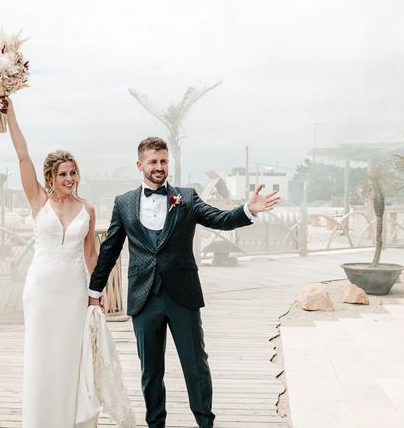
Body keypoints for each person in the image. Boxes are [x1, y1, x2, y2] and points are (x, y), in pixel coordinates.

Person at [88, 137, 279, 428]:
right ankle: (156, 424)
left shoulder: (187, 198)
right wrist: (94, 290)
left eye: (163, 161)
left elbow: (221, 219)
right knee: (150, 371)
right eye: (153, 161)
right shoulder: (123, 203)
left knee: (195, 366)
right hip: (143, 297)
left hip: (183, 295)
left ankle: (205, 423)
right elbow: (110, 249)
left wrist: (248, 210)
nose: (159, 167)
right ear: (140, 165)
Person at [4, 96, 99, 428]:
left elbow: (91, 254)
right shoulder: (37, 200)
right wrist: (11, 114)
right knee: (41, 358)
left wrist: (97, 294)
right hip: (41, 291)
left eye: (73, 173)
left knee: (67, 358)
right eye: (63, 174)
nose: (70, 178)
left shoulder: (87, 209)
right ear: (51, 177)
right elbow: (22, 155)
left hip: (73, 292)